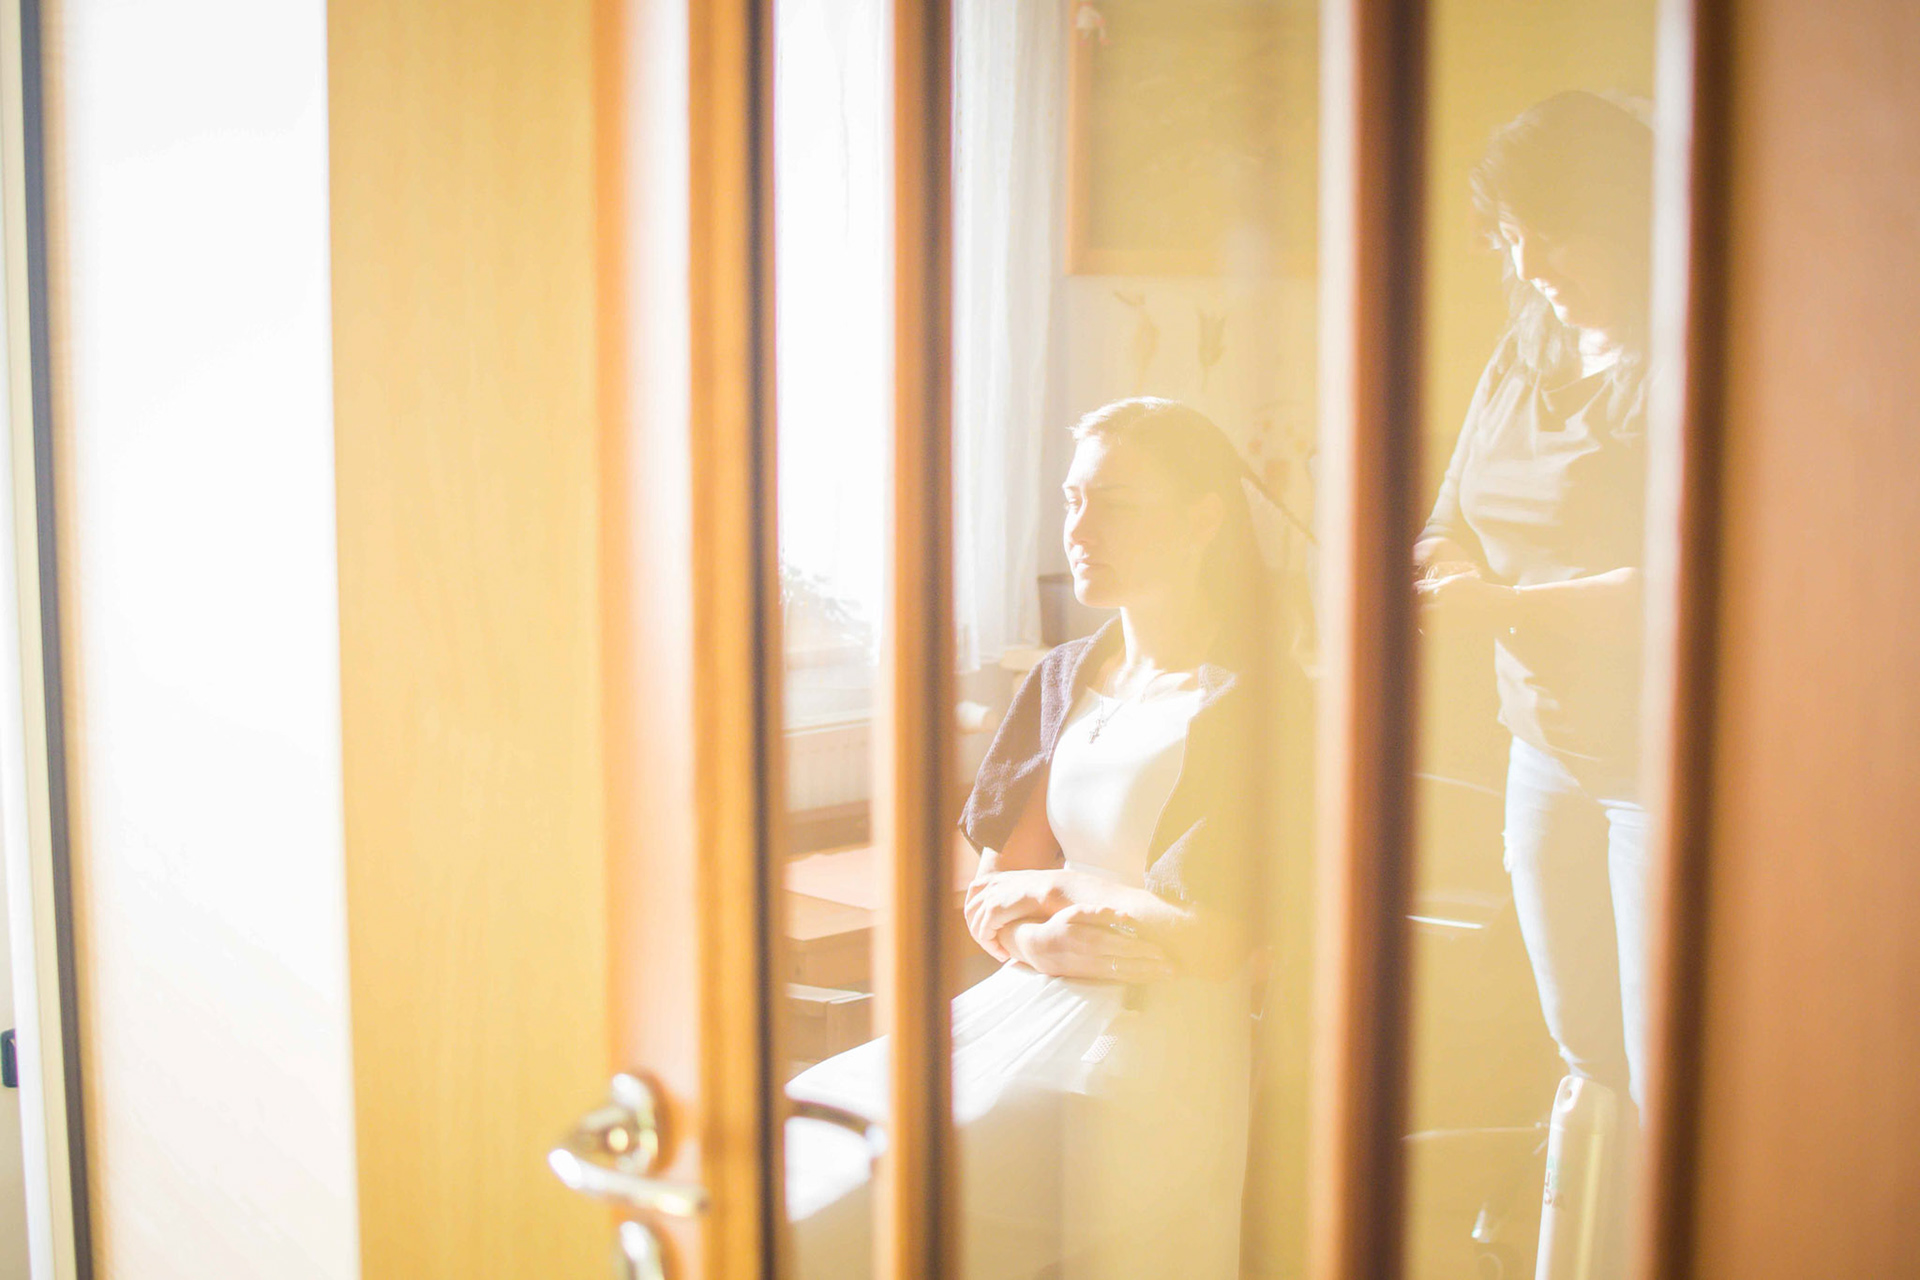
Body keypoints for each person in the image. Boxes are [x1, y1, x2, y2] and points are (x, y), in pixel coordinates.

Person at [786, 397, 1270, 1278]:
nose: (1080, 530)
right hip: (1023, 1005)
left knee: (855, 1212)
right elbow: (990, 897)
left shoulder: (1250, 701)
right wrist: (1040, 940)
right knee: (796, 1136)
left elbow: (1214, 941)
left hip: (1146, 1061)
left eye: (1116, 503)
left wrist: (1064, 889)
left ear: (1204, 519)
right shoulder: (1065, 676)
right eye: (1072, 500)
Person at [1415, 91, 1656, 1119]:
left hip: (1656, 769)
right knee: (1586, 1046)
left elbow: (1687, 590)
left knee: (1662, 1063)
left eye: (1553, 234)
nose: (1532, 263)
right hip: (1542, 750)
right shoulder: (1524, 345)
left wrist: (1500, 606)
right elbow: (1448, 514)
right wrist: (1440, 573)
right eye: (1515, 236)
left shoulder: (1690, 365)